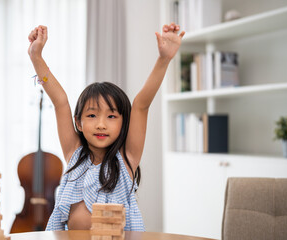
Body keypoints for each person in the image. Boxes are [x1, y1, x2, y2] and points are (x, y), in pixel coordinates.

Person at [27, 23, 185, 231]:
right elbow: (60, 101)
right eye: (92, 115)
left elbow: (141, 105)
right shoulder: (74, 153)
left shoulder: (127, 159)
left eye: (111, 116)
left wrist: (164, 59)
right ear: (78, 123)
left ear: (123, 123)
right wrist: (36, 57)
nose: (101, 124)